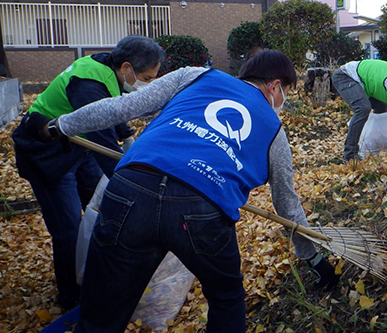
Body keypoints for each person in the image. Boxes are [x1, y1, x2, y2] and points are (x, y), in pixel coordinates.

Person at [42, 49, 338, 333]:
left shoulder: (196, 76)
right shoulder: (274, 131)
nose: (282, 100)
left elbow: (121, 108)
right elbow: (287, 203)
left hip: (130, 190)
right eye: (286, 90)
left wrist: (61, 125)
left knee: (102, 313)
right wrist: (311, 257)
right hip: (202, 210)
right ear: (275, 86)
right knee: (226, 300)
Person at [11, 35, 164, 309]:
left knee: (103, 212)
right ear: (127, 67)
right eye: (147, 77)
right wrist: (136, 186)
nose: (148, 84)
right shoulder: (88, 84)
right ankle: (71, 297)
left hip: (77, 148)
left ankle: (97, 274)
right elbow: (101, 141)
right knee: (69, 228)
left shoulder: (110, 69)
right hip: (48, 153)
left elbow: (112, 109)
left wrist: (128, 136)